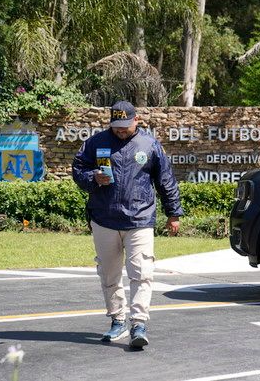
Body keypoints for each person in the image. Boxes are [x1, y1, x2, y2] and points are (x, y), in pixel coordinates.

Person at [72, 100, 183, 349]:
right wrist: (93, 177)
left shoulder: (150, 145)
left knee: (142, 272)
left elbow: (166, 180)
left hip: (139, 219)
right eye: (116, 126)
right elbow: (78, 170)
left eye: (125, 126)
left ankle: (139, 324)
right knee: (109, 274)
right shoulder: (95, 142)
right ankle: (118, 320)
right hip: (104, 218)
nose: (121, 130)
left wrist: (173, 213)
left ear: (136, 120)